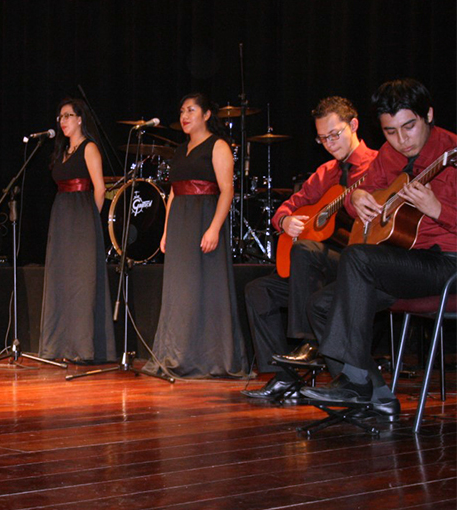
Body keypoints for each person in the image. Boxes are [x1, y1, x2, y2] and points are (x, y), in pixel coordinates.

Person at [301, 78, 457, 419]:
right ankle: (379, 396)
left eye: (409, 127)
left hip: (448, 266)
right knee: (320, 305)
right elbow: (365, 195)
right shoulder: (390, 154)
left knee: (356, 258)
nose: (401, 140)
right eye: (390, 132)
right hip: (404, 262)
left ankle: (354, 382)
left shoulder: (451, 150)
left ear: (428, 115)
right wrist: (356, 198)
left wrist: (439, 211)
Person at [241, 97, 377, 400]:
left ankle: (309, 342)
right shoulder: (326, 172)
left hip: (352, 265)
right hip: (314, 270)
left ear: (353, 125)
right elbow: (289, 205)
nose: (329, 143)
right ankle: (285, 378)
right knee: (257, 290)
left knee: (304, 250)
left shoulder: (378, 165)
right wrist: (285, 221)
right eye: (322, 138)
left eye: (335, 134)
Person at [143, 93, 249, 378]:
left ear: (205, 115)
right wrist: (166, 230)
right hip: (180, 224)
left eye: (191, 110)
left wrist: (214, 228)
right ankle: (178, 354)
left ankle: (211, 358)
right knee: (181, 293)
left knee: (208, 288)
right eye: (181, 111)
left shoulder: (218, 145)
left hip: (205, 219)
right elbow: (174, 193)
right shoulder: (180, 151)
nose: (185, 116)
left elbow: (227, 190)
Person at [38, 98, 116, 363]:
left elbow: (100, 189)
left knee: (82, 283)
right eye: (60, 117)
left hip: (82, 217)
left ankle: (83, 348)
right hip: (61, 217)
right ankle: (60, 345)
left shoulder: (89, 148)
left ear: (80, 119)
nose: (63, 121)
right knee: (62, 280)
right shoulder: (61, 151)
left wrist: (89, 221)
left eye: (68, 116)